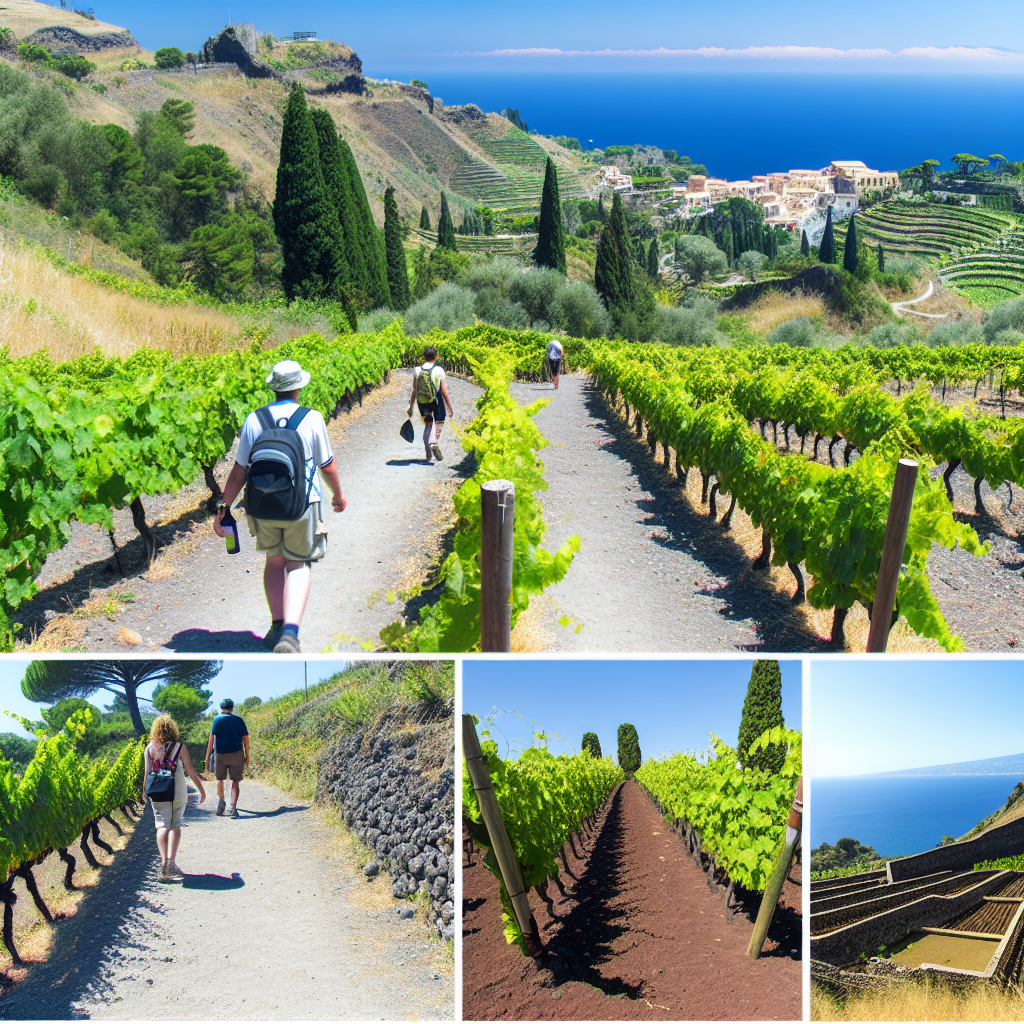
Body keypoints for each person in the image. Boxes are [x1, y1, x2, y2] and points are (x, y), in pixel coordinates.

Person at [213, 360, 347, 654]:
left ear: (273, 387)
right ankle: (290, 635)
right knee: (298, 564)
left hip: (262, 506)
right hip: (302, 504)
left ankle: (276, 626)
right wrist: (337, 495)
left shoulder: (254, 419)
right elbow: (327, 465)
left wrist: (223, 507)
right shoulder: (311, 418)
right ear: (299, 386)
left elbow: (239, 472)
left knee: (274, 563)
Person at [144, 715, 206, 882]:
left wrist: (145, 793)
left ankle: (163, 864)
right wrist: (201, 790)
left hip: (157, 790)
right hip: (177, 789)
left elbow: (147, 773)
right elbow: (191, 771)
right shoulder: (179, 747)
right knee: (175, 824)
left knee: (162, 825)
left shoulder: (149, 748)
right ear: (173, 729)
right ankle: (171, 862)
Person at [204, 698, 250, 819]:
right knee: (235, 781)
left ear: (221, 708)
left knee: (220, 780)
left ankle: (221, 802)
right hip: (237, 754)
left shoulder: (217, 720)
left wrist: (207, 757)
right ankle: (233, 807)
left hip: (220, 755)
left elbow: (211, 741)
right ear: (232, 707)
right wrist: (247, 757)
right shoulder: (239, 720)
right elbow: (246, 741)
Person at [407, 346, 455, 462]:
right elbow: (444, 391)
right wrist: (449, 407)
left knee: (428, 424)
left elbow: (414, 389)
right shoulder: (439, 370)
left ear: (424, 357)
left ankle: (428, 452)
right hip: (436, 400)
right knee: (438, 423)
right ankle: (433, 442)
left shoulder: (417, 370)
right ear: (436, 356)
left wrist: (411, 406)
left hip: (422, 401)